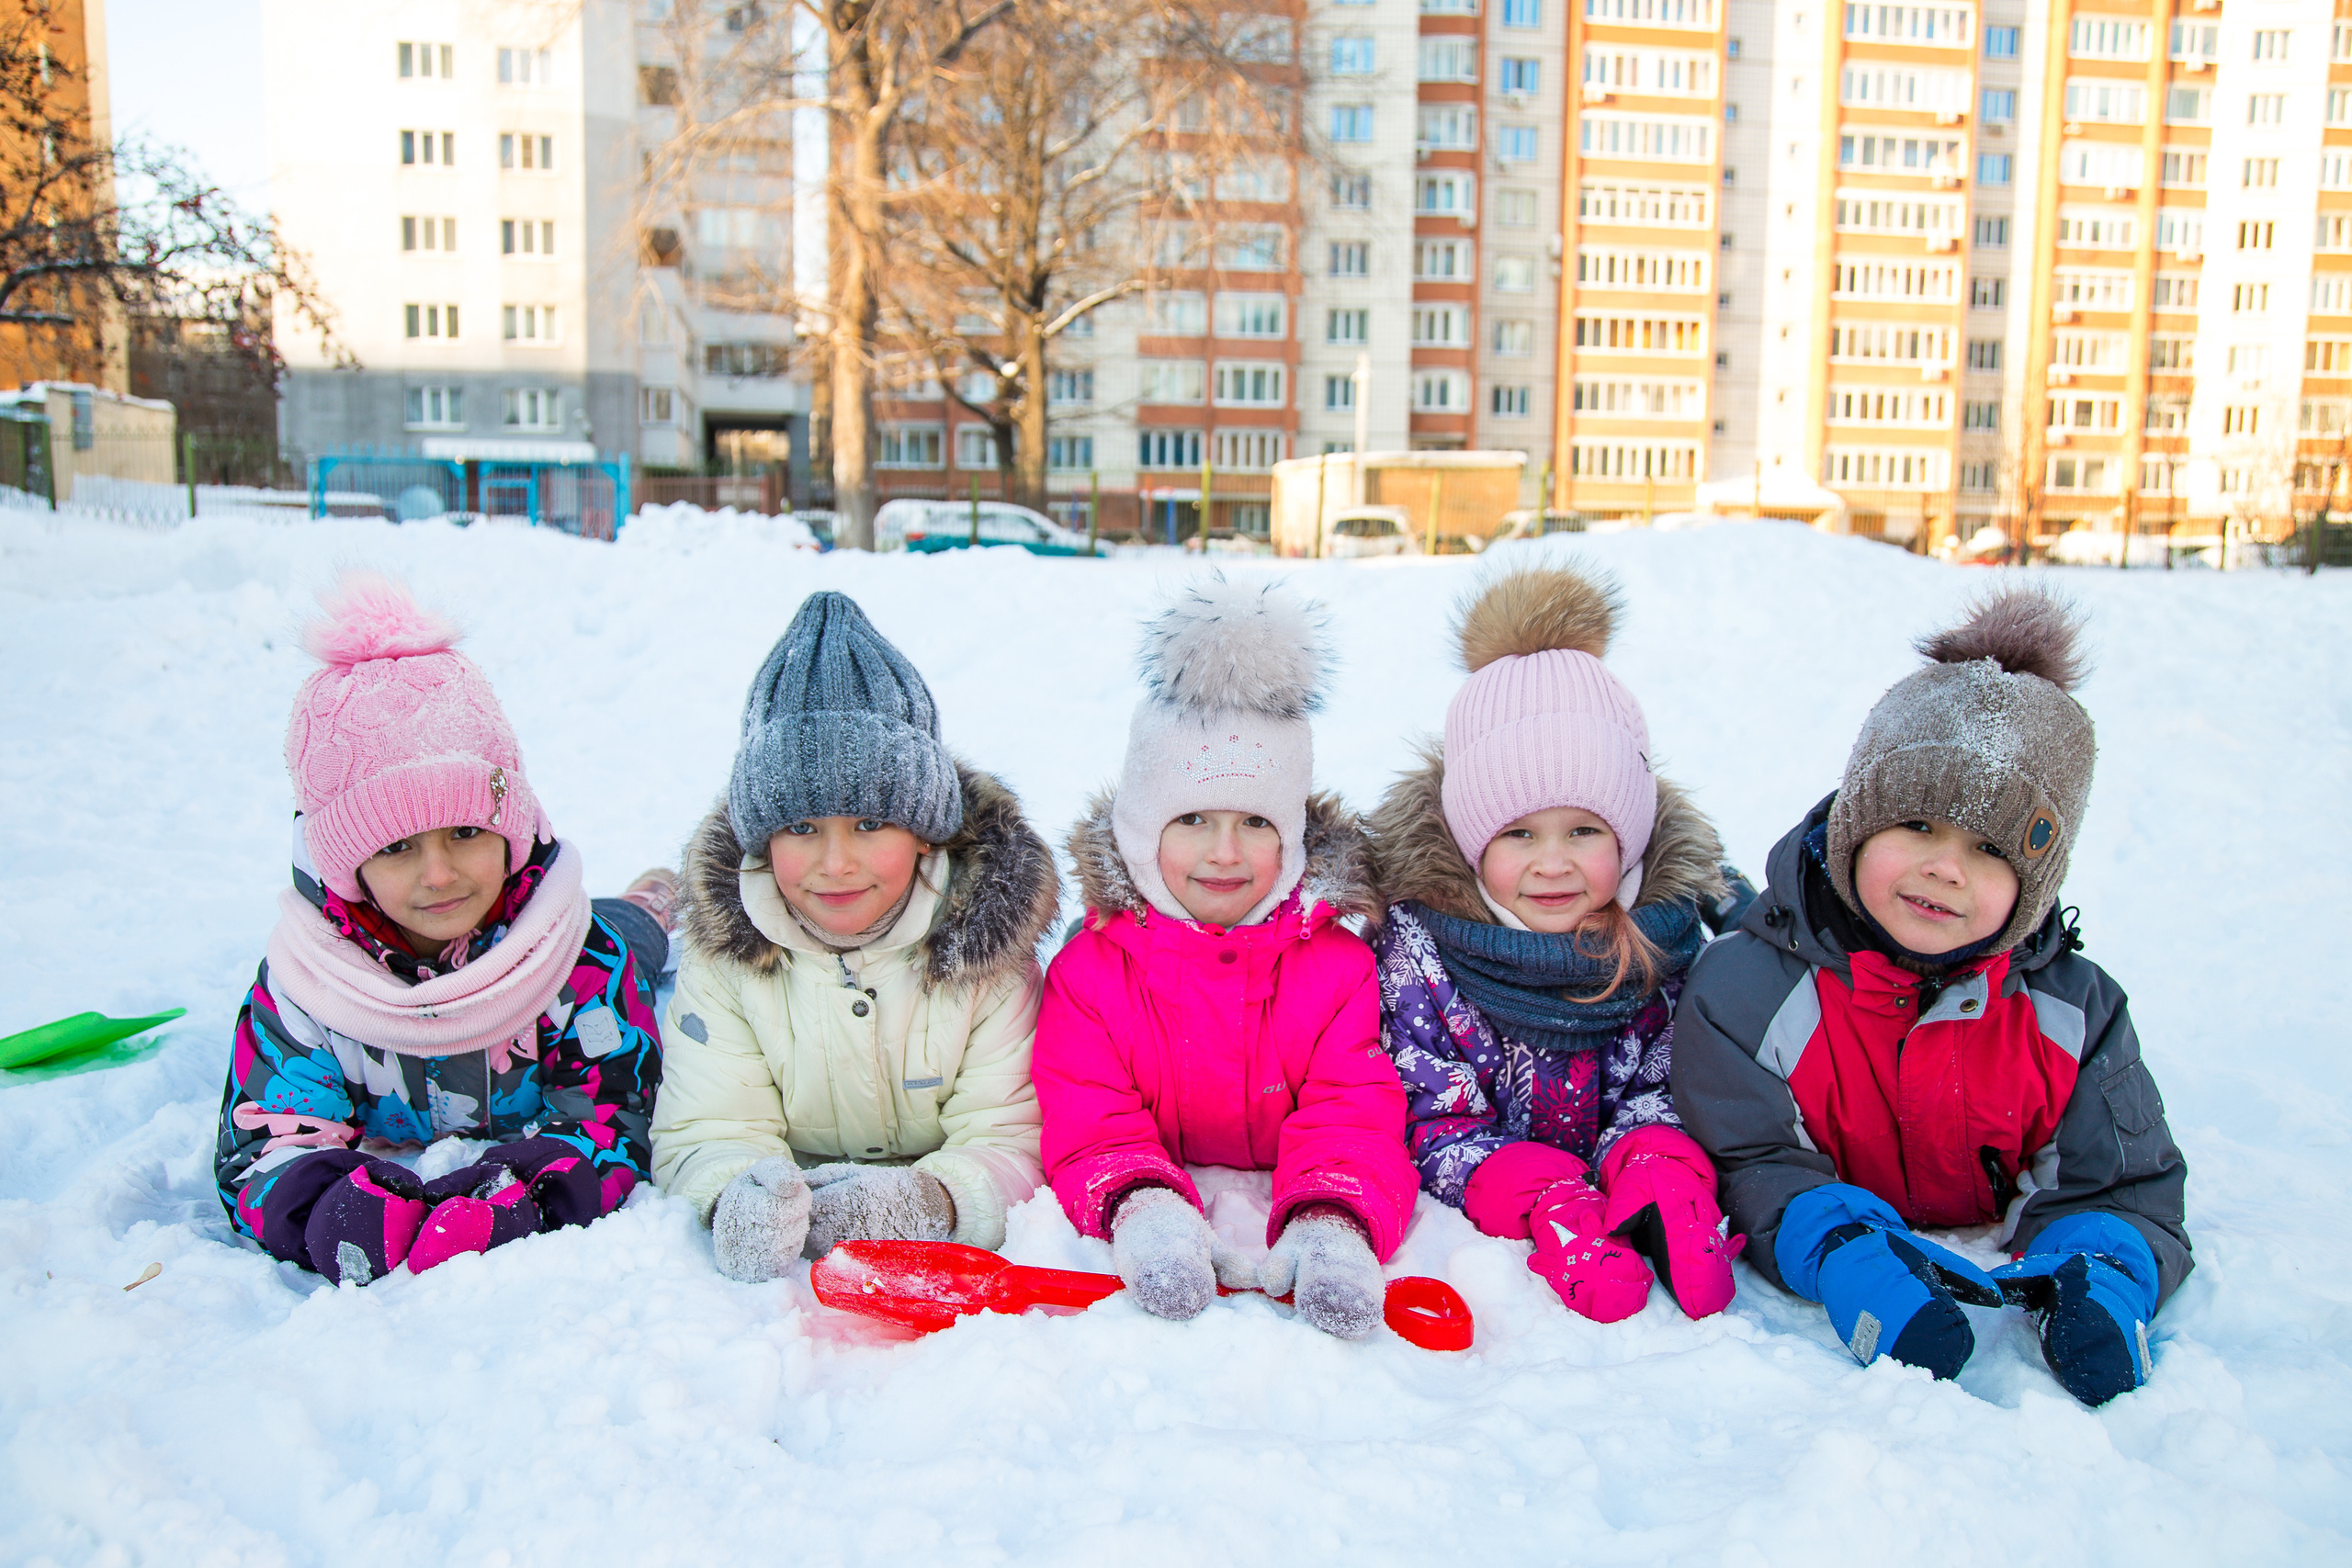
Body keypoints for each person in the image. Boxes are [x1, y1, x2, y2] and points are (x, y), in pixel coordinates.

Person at [1672, 590, 2191, 1405]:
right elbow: (1750, 1160)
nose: (1945, 868)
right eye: (1915, 826)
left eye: (1989, 849)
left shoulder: (2073, 1012)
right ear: (1853, 826)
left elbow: (2121, 1181)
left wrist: (2106, 1267)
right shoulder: (1743, 993)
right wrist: (1839, 1245)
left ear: (2034, 886)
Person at [215, 573, 666, 1285]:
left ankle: (651, 900)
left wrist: (527, 1194)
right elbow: (264, 1146)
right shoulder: (309, 980)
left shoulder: (579, 955)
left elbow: (617, 1117)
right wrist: (334, 1213)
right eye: (396, 847)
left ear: (509, 829)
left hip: (547, 932)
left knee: (632, 932)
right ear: (345, 863)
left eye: (464, 831)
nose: (439, 874)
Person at [1032, 576, 1418, 1339]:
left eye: (1255, 821)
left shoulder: (1336, 967)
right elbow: (1090, 1114)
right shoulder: (1090, 973)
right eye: (1194, 819)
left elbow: (1353, 1106)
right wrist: (1141, 1204)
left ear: (1292, 837)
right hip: (1150, 1193)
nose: (1225, 852)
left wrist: (1334, 1215)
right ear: (1143, 832)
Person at [1366, 566, 1745, 1325]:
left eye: (1584, 830)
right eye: (1517, 833)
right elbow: (1433, 1117)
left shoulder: (1662, 939)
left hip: (1633, 1156)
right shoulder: (1424, 953)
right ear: (1473, 842)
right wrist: (1542, 1193)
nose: (1551, 862)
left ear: (1629, 838)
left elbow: (1665, 1081)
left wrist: (1658, 1160)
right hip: (1501, 1168)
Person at [651, 591, 1060, 1281]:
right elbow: (707, 1125)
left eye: (870, 824)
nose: (835, 863)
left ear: (925, 829)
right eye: (802, 828)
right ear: (761, 836)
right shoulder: (729, 957)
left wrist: (933, 1200)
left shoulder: (986, 947)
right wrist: (734, 1196)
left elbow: (1012, 1132)